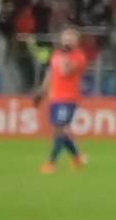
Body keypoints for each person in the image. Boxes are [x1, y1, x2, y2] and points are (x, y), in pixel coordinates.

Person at [40, 26, 93, 170]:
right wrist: (42, 91)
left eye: (71, 37)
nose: (67, 39)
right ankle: (77, 158)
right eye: (65, 37)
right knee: (60, 129)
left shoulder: (79, 56)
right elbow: (51, 73)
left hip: (69, 98)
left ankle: (51, 163)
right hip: (55, 97)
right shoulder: (57, 54)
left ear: (77, 41)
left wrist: (67, 55)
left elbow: (65, 71)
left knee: (60, 129)